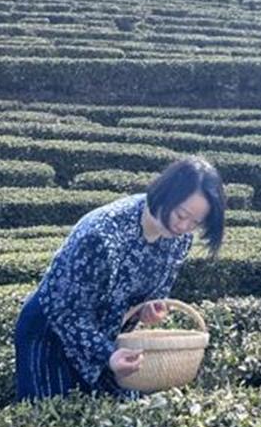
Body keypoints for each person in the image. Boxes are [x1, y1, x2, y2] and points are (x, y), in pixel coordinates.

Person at [14, 157, 226, 401]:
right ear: (165, 194)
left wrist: (147, 310)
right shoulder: (101, 236)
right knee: (52, 424)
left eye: (196, 223)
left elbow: (146, 298)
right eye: (181, 214)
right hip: (52, 336)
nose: (183, 226)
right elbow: (66, 311)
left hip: (110, 341)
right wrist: (107, 354)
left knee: (119, 420)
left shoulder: (180, 240)